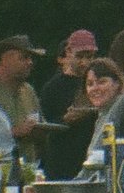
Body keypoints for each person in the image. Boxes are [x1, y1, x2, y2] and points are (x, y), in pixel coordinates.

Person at [0, 35, 53, 166]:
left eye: (31, 58)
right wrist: (17, 132)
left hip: (28, 170)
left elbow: (40, 124)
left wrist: (41, 131)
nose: (30, 62)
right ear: (4, 60)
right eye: (24, 57)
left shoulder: (28, 91)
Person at [39, 30, 100, 179]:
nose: (84, 62)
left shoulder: (98, 84)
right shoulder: (53, 87)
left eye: (89, 57)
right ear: (68, 52)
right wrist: (66, 119)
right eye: (80, 56)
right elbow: (45, 126)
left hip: (91, 158)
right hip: (62, 162)